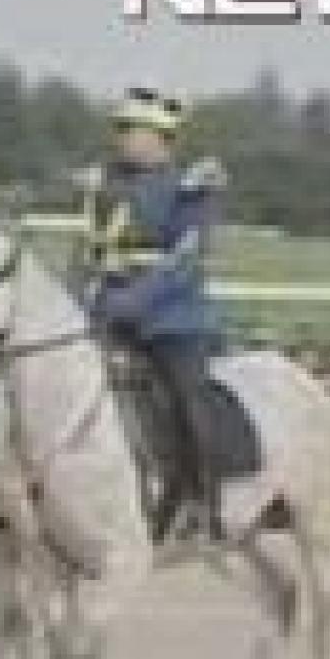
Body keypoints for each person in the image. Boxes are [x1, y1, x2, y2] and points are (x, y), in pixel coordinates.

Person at [83, 87, 228, 539]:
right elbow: (89, 251)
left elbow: (182, 263)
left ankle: (201, 500)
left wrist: (132, 303)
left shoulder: (191, 189)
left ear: (162, 139)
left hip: (173, 319)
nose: (124, 140)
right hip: (107, 310)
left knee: (186, 396)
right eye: (122, 131)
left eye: (135, 131)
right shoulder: (104, 186)